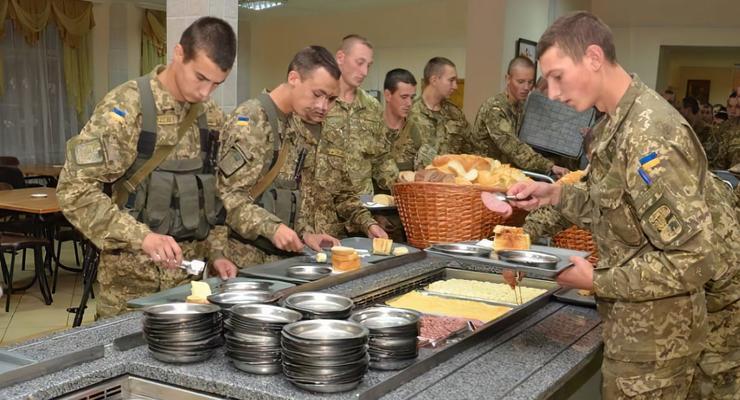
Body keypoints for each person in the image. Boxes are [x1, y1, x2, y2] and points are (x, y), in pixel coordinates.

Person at [483, 11, 738, 399]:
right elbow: (613, 203)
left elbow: (693, 259)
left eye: (557, 77)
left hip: (659, 339)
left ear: (593, 58)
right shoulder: (615, 122)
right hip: (640, 326)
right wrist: (556, 194)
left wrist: (596, 280)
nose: (550, 93)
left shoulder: (650, 136)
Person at [57, 17, 239, 319]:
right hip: (130, 290)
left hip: (190, 289)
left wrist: (217, 252)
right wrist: (142, 237)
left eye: (217, 83)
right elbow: (74, 191)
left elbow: (215, 194)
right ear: (178, 54)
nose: (206, 92)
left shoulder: (212, 117)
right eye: (200, 77)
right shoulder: (127, 107)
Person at [218, 46, 383, 267]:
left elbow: (289, 193)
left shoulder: (291, 124)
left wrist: (306, 234)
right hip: (244, 260)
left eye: (331, 99)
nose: (323, 106)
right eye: (317, 94)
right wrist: (273, 227)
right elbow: (227, 198)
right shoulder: (252, 121)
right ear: (294, 78)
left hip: (277, 260)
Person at [469, 56, 570, 177]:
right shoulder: (494, 109)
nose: (526, 87)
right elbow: (514, 148)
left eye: (530, 82)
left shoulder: (521, 105)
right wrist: (549, 166)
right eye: (521, 82)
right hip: (485, 175)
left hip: (506, 173)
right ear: (508, 79)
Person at [321, 35, 396, 198]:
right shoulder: (320, 102)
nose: (365, 72)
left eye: (369, 65)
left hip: (363, 205)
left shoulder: (372, 107)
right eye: (359, 63)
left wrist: (403, 186)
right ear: (340, 57)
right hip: (324, 206)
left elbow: (382, 159)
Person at [407, 57, 471, 162]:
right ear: (434, 80)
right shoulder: (409, 113)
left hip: (451, 176)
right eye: (451, 80)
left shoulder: (455, 113)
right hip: (420, 177)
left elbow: (470, 150)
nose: (455, 86)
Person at [680, 96, 718, 165]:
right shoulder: (686, 127)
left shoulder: (707, 130)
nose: (680, 111)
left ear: (687, 110)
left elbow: (705, 155)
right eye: (702, 112)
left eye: (681, 108)